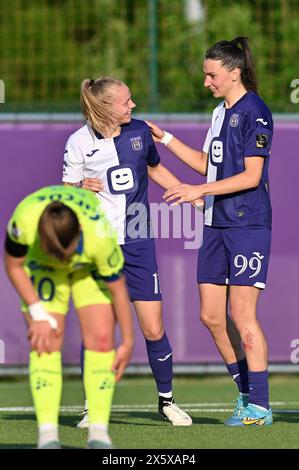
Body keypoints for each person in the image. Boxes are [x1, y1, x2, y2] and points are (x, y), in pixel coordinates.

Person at [147, 37, 273, 427]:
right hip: (215, 224)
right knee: (211, 316)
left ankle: (261, 408)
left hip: (247, 224)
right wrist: (165, 139)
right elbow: (208, 165)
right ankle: (245, 395)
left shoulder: (256, 112)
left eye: (212, 74)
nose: (206, 82)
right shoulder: (220, 113)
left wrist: (198, 192)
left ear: (235, 73)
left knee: (241, 314)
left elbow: (251, 176)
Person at [62, 77, 192, 427]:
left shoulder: (138, 132)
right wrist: (78, 186)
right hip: (98, 244)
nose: (132, 106)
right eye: (126, 102)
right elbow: (66, 192)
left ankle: (166, 402)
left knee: (152, 328)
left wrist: (189, 191)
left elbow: (153, 168)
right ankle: (93, 407)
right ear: (105, 107)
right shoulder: (78, 143)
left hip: (137, 240)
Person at [4, 185, 134, 448]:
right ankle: (48, 437)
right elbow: (13, 265)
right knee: (45, 342)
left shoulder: (98, 235)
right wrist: (38, 312)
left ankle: (98, 434)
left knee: (101, 340)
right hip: (43, 268)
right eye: (57, 254)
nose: (63, 259)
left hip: (86, 268)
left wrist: (128, 342)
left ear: (79, 234)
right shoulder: (24, 220)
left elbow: (119, 290)